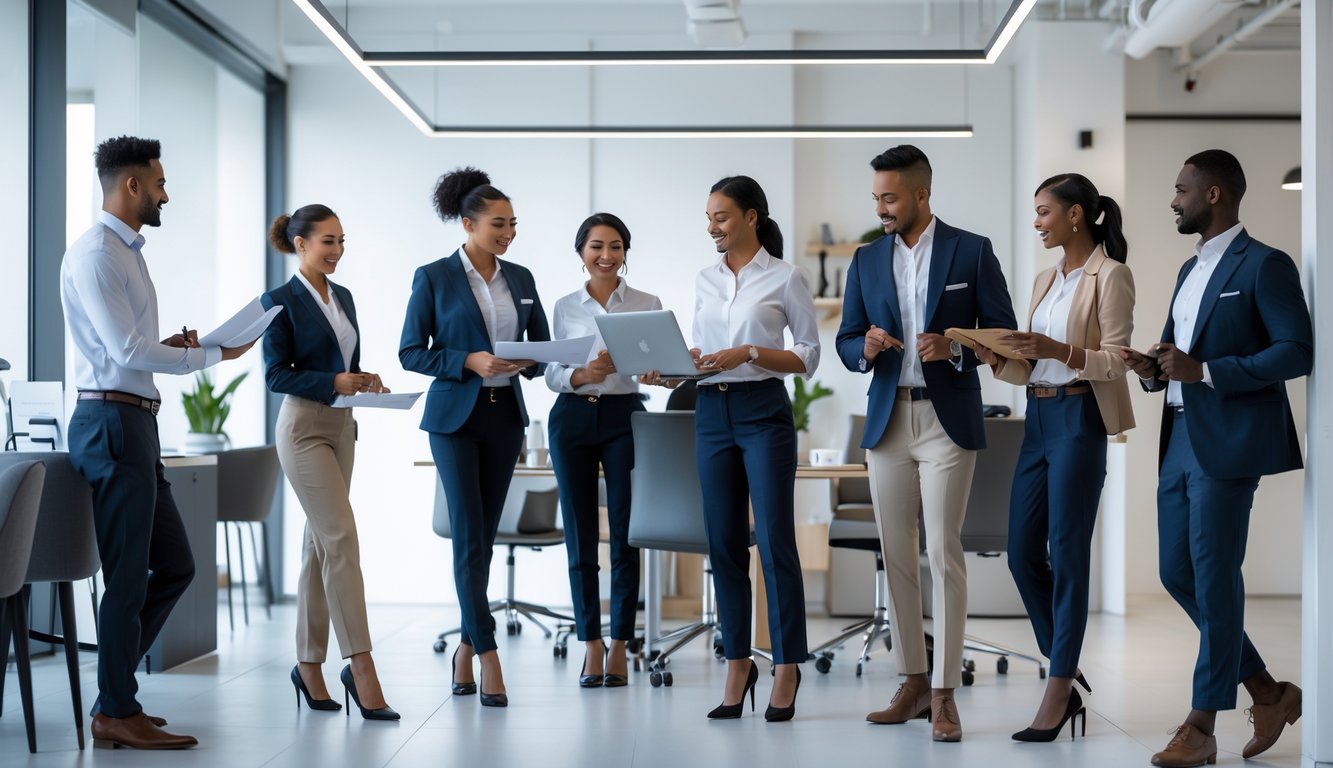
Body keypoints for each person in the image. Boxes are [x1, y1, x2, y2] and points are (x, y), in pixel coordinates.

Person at [60, 135, 254, 749]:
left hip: (137, 420)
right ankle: (116, 707)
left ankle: (113, 694)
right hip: (112, 422)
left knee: (177, 564)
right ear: (132, 185)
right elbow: (123, 353)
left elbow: (131, 349)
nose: (166, 192)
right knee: (127, 577)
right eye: (161, 182)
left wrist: (179, 345)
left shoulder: (127, 253)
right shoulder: (97, 254)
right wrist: (207, 354)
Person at [1119, 150, 1310, 768]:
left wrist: (1206, 371)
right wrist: (1157, 368)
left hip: (1227, 444)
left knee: (1215, 573)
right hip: (1177, 439)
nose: (1174, 200)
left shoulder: (1266, 265)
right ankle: (1268, 692)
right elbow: (1184, 355)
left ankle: (1200, 725)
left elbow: (1294, 353)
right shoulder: (1187, 270)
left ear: (1215, 195)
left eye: (1181, 190)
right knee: (1179, 572)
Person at [835, 144, 1016, 742]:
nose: (881, 207)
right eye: (876, 198)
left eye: (889, 197)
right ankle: (911, 681)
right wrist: (864, 348)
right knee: (897, 554)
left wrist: (958, 348)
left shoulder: (972, 250)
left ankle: (944, 694)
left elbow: (1004, 338)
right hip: (888, 421)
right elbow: (845, 339)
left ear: (921, 194)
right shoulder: (864, 260)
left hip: (945, 419)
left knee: (943, 549)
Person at [649, 175, 818, 722]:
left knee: (773, 542)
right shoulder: (705, 279)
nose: (712, 227)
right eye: (708, 218)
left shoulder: (785, 277)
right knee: (723, 543)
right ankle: (738, 663)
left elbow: (808, 356)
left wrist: (749, 351)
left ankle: (788, 663)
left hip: (763, 411)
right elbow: (705, 351)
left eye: (721, 216)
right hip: (710, 411)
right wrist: (678, 366)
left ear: (751, 216)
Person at [975, 173, 1135, 741]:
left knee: (1067, 552)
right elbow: (1030, 365)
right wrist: (993, 356)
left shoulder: (1110, 276)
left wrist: (1057, 349)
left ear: (1076, 215)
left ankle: (1058, 684)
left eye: (1044, 212)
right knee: (1021, 552)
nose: (1037, 221)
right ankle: (1063, 663)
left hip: (1080, 419)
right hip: (1037, 419)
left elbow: (1117, 361)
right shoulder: (1046, 278)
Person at [399, 167, 549, 708]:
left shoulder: (524, 279)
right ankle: (488, 655)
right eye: (498, 224)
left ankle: (464, 648)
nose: (507, 233)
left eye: (513, 224)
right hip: (455, 419)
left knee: (483, 537)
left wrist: (537, 360)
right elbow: (411, 352)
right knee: (468, 533)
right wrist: (467, 359)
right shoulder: (434, 276)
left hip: (505, 415)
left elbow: (541, 349)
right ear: (468, 223)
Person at [261, 205, 399, 721]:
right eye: (327, 241)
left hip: (343, 426)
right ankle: (361, 666)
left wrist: (362, 379)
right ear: (300, 244)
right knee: (341, 539)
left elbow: (345, 365)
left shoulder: (343, 298)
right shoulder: (278, 302)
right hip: (302, 429)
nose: (337, 250)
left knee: (319, 546)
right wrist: (331, 382)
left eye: (341, 241)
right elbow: (276, 374)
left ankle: (307, 664)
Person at [544, 213, 660, 688]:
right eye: (596, 247)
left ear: (626, 252)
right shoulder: (564, 305)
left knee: (626, 534)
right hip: (572, 417)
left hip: (624, 416)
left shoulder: (646, 302)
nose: (606, 256)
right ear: (581, 253)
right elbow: (552, 373)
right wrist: (581, 375)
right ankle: (590, 641)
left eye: (615, 246)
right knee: (580, 532)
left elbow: (659, 364)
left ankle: (619, 645)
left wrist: (654, 370)